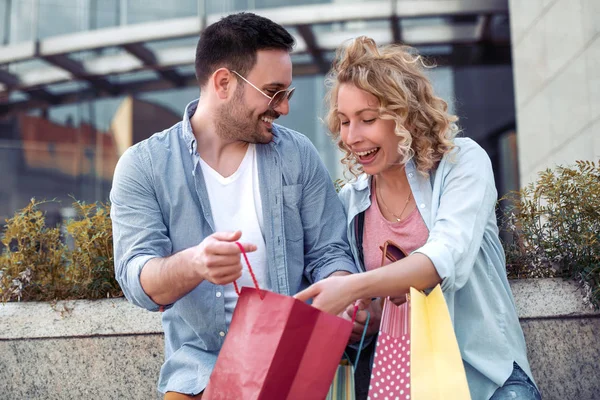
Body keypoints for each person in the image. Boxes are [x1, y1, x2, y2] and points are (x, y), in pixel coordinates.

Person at [110, 13, 357, 399]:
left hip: (293, 365)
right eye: (274, 92)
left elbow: (330, 251)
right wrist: (195, 263)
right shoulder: (145, 166)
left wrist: (343, 293)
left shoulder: (298, 155)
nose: (285, 108)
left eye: (288, 94)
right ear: (224, 83)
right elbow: (137, 280)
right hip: (198, 376)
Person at [295, 36, 541, 400]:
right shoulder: (351, 203)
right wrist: (367, 315)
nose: (351, 136)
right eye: (344, 122)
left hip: (485, 378)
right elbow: (376, 304)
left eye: (367, 119)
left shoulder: (462, 164)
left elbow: (441, 259)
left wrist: (351, 287)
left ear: (405, 115)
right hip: (403, 385)